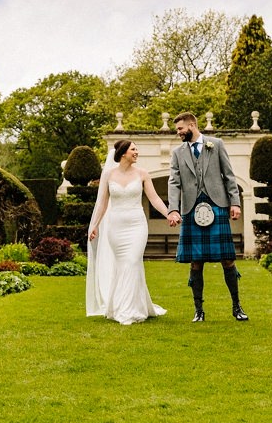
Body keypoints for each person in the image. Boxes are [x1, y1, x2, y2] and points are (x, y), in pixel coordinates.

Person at [166, 112, 248, 322]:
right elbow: (174, 182)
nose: (178, 133)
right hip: (191, 208)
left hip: (218, 204)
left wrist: (235, 203)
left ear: (192, 125)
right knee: (196, 262)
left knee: (228, 260)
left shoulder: (216, 144)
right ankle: (198, 311)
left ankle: (237, 307)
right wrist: (173, 209)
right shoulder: (177, 153)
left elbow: (229, 176)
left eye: (180, 129)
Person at [85, 140, 175, 325]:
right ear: (123, 153)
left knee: (133, 262)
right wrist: (94, 225)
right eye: (133, 149)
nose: (137, 152)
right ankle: (122, 306)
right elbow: (102, 203)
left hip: (136, 225)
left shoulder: (143, 174)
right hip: (116, 227)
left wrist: (169, 214)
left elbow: (155, 199)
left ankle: (130, 310)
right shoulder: (109, 175)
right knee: (122, 265)